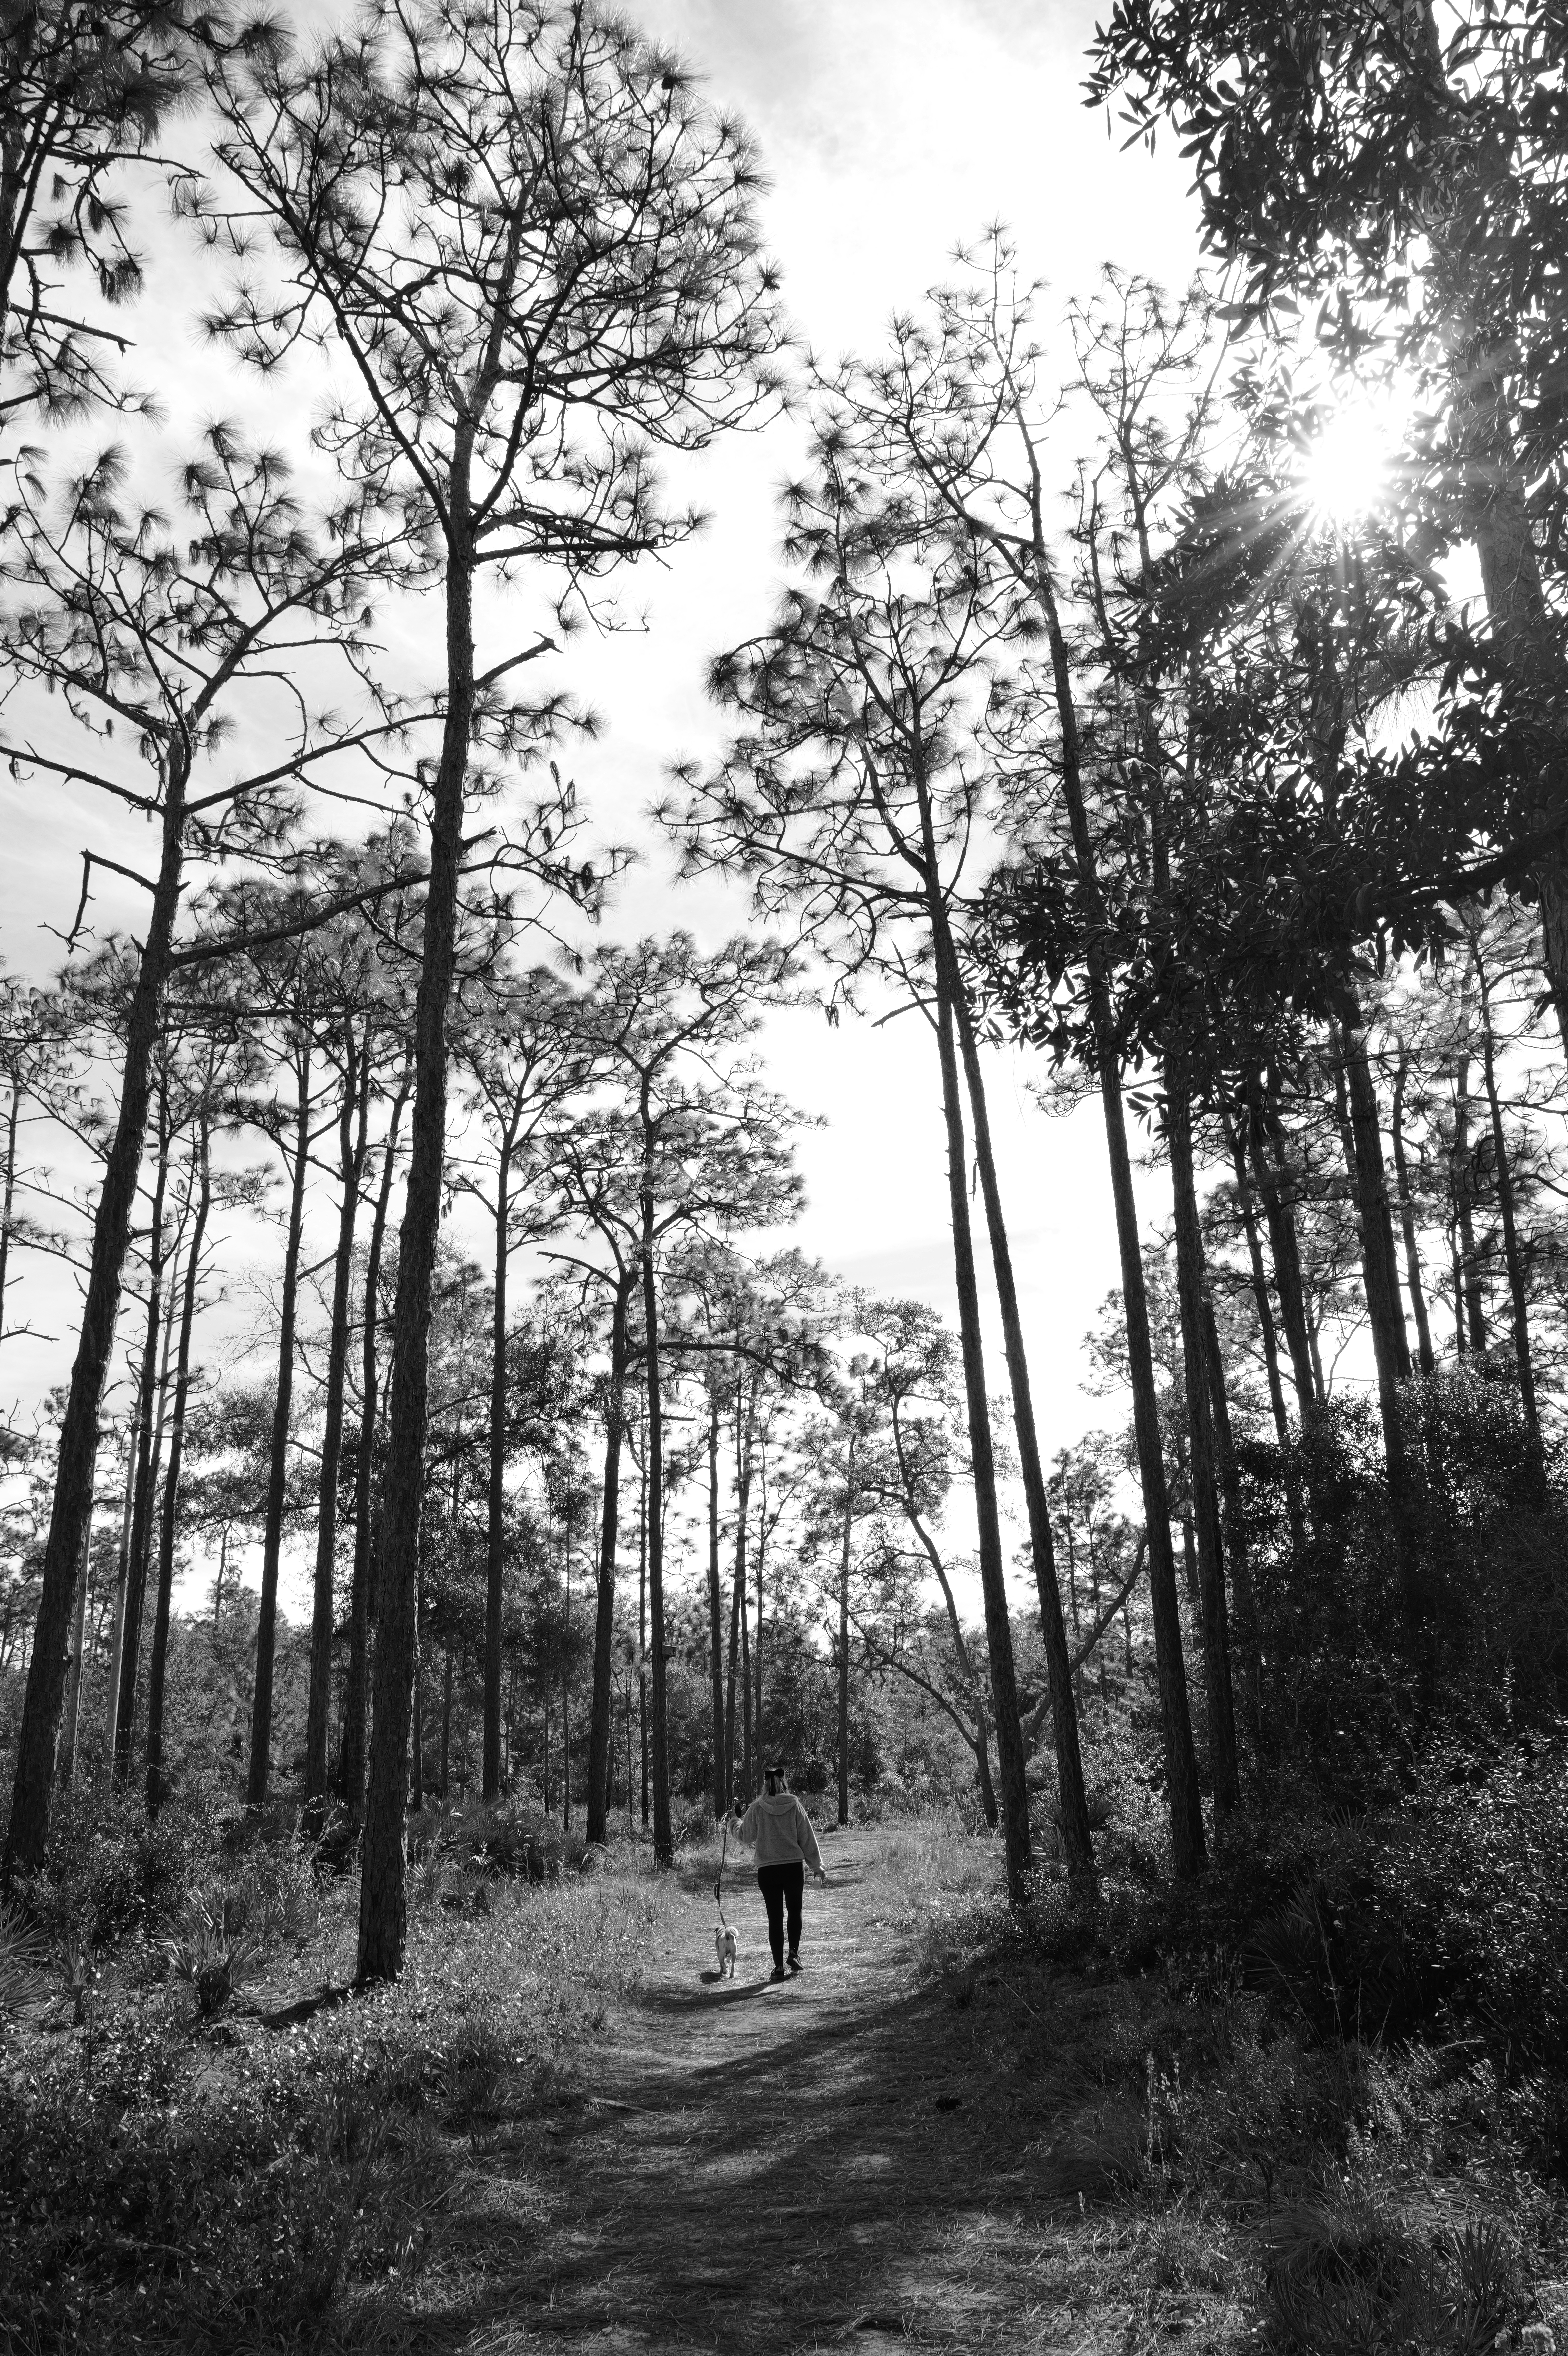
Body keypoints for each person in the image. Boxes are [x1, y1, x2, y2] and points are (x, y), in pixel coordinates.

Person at [731, 1763, 826, 1982]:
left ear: (766, 1784)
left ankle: (778, 1967)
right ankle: (794, 1953)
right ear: (784, 1783)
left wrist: (735, 1820)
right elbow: (807, 1838)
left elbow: (745, 1836)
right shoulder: (794, 1805)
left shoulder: (757, 1807)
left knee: (775, 1919)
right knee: (795, 1911)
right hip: (793, 1868)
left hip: (768, 1871)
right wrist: (816, 1867)